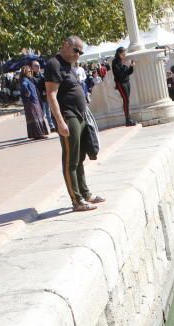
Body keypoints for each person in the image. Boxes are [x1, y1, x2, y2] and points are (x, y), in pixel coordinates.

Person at [45, 36, 106, 213]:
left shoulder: (67, 66)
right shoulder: (54, 64)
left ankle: (85, 193)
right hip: (68, 116)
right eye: (76, 50)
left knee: (79, 158)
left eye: (80, 52)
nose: (78, 55)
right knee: (70, 160)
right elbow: (51, 94)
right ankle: (77, 200)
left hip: (79, 116)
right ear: (65, 45)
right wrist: (60, 121)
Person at [20, 67, 50, 140]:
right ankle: (39, 134)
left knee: (37, 116)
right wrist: (27, 92)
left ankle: (36, 134)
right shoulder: (25, 79)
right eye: (28, 71)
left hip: (34, 101)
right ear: (25, 73)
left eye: (31, 71)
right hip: (31, 102)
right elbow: (24, 85)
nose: (30, 72)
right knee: (36, 117)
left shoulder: (29, 79)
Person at [111, 47, 136, 127]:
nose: (125, 55)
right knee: (126, 100)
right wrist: (126, 67)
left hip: (126, 82)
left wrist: (131, 66)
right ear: (119, 53)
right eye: (123, 53)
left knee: (127, 100)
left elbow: (128, 72)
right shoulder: (115, 62)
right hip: (121, 83)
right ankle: (127, 120)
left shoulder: (122, 61)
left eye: (125, 53)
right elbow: (119, 74)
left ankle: (128, 119)